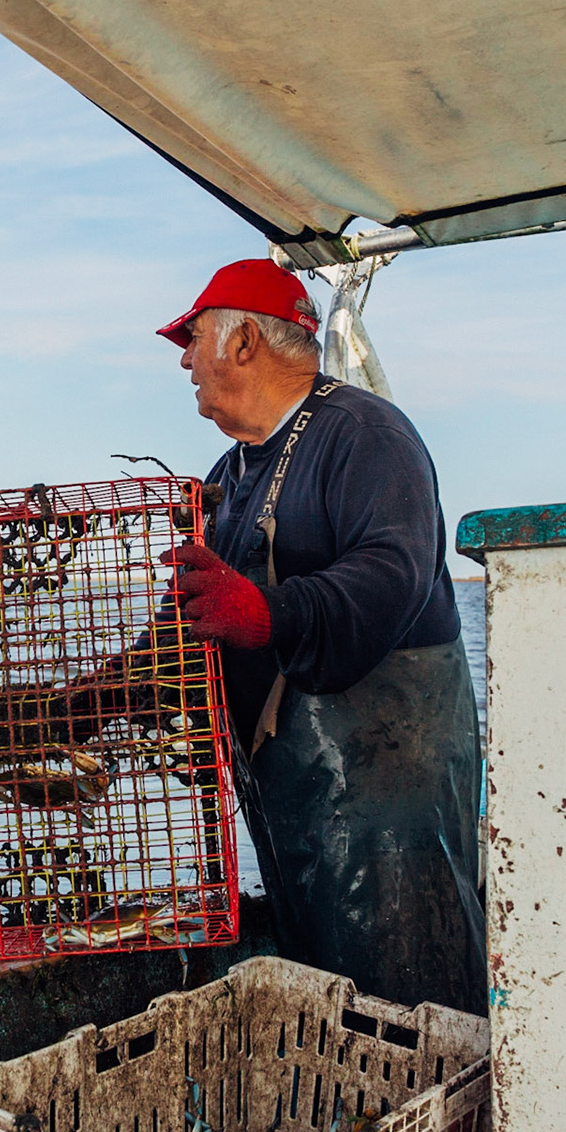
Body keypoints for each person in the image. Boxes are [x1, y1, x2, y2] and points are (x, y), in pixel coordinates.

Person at [155, 258, 486, 1014]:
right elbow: (205, 609)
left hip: (389, 805)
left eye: (193, 336)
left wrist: (270, 615)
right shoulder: (229, 473)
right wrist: (93, 698)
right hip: (294, 800)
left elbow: (391, 573)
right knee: (328, 1002)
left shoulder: (366, 434)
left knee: (411, 1004)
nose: (183, 357)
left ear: (243, 340)